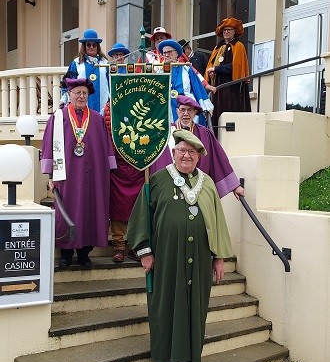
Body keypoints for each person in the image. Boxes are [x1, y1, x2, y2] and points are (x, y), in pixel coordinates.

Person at [128, 129, 233, 362]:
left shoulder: (207, 184)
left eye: (192, 151)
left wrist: (218, 258)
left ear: (199, 157)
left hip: (199, 261)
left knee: (194, 309)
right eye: (182, 150)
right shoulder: (157, 181)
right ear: (173, 153)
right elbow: (141, 219)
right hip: (166, 259)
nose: (186, 155)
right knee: (165, 307)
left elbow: (217, 222)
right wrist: (145, 252)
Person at [41, 78, 117, 268]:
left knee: (92, 210)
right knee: (67, 211)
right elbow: (49, 146)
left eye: (84, 93)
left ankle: (85, 253)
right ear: (69, 95)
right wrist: (50, 175)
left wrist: (108, 169)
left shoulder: (97, 118)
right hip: (67, 177)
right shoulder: (58, 118)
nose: (81, 96)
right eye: (77, 93)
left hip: (94, 175)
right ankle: (66, 254)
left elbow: (106, 146)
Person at [150, 94, 244, 199]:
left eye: (190, 110)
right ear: (177, 111)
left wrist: (235, 186)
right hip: (169, 189)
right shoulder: (164, 133)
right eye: (183, 109)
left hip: (197, 189)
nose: (186, 114)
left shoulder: (204, 134)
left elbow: (218, 159)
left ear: (195, 113)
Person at [104, 42, 144, 263]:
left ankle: (136, 245)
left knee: (138, 207)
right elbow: (108, 128)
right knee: (118, 205)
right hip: (118, 160)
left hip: (137, 159)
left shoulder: (139, 103)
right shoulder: (110, 105)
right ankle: (119, 244)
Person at [205, 17, 251, 133]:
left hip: (231, 87)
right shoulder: (218, 47)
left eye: (229, 30)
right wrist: (210, 73)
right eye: (225, 30)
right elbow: (210, 64)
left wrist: (216, 68)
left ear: (234, 32)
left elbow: (235, 67)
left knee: (228, 112)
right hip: (217, 86)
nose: (226, 32)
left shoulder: (238, 46)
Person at [157, 39, 214, 125]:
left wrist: (205, 104)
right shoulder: (159, 72)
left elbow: (197, 86)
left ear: (176, 54)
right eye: (164, 53)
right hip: (166, 105)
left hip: (186, 103)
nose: (166, 55)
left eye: (169, 52)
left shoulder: (186, 68)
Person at [60, 29, 109, 113]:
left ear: (97, 47)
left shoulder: (105, 63)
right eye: (88, 45)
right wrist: (64, 100)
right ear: (84, 47)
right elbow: (68, 83)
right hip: (81, 107)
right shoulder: (76, 63)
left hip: (103, 108)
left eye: (94, 45)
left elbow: (111, 84)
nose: (91, 47)